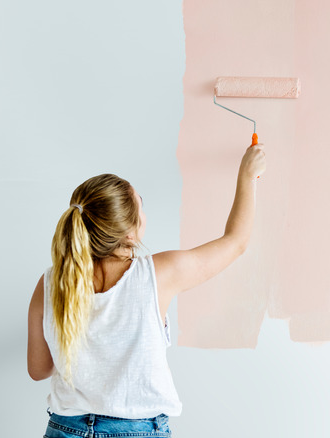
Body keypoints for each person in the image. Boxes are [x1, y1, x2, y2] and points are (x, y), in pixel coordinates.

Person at [27, 143, 266, 437]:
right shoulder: (158, 274)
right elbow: (236, 242)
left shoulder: (50, 282)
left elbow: (38, 369)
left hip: (65, 428)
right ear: (129, 232)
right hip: (138, 430)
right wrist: (247, 177)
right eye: (142, 204)